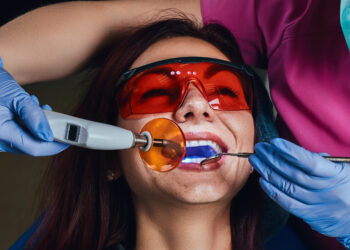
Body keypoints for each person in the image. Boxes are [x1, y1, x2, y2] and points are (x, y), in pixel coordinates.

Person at [0, 0, 349, 249]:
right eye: (154, 93)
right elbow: (107, 17)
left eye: (225, 91)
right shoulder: (295, 10)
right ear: (108, 158)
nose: (195, 106)